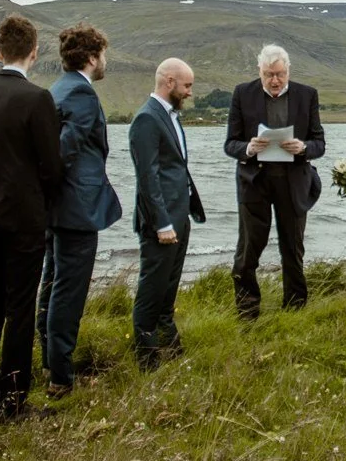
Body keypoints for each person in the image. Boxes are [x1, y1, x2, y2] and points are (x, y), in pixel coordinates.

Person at [0, 13, 64, 421]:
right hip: (23, 217)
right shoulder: (37, 98)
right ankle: (14, 401)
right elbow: (52, 166)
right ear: (34, 52)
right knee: (19, 308)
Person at [40, 22, 122, 398]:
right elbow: (62, 151)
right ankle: (60, 376)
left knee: (53, 282)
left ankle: (49, 364)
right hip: (74, 208)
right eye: (102, 54)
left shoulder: (59, 88)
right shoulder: (81, 95)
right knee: (68, 290)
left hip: (59, 206)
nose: (105, 61)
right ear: (91, 57)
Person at [223, 45, 327, 318]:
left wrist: (303, 147)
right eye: (269, 74)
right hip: (254, 182)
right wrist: (248, 147)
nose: (275, 80)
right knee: (248, 249)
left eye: (280, 74)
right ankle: (247, 312)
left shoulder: (307, 95)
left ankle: (295, 310)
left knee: (292, 249)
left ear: (288, 70)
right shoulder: (242, 94)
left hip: (293, 183)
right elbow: (230, 144)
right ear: (259, 71)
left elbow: (319, 144)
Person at [129, 58, 206, 369]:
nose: (189, 92)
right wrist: (161, 223)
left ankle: (171, 352)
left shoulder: (170, 116)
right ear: (170, 82)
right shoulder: (146, 119)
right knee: (151, 291)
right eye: (187, 85)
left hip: (179, 217)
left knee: (168, 289)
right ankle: (146, 362)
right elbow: (147, 177)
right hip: (161, 223)